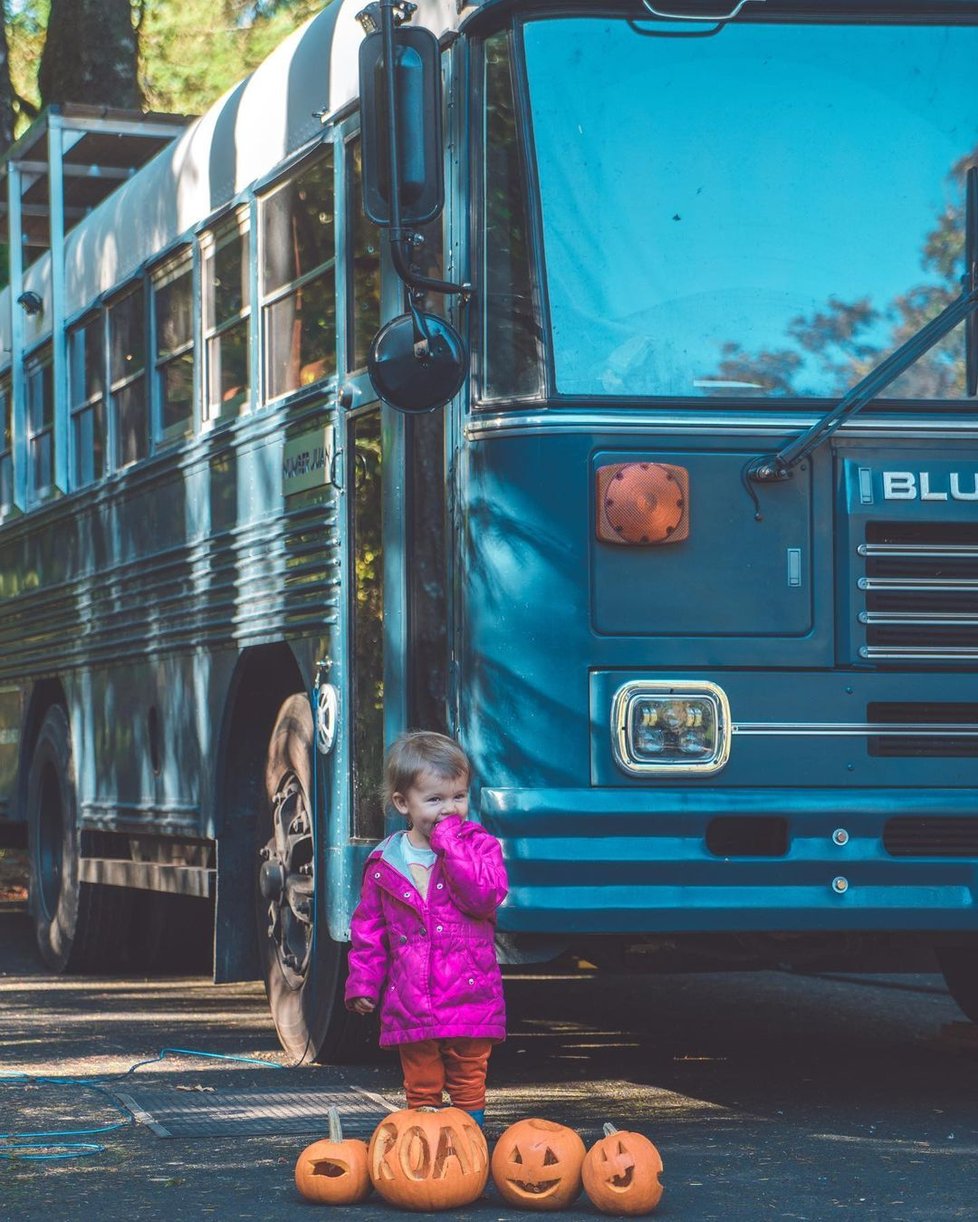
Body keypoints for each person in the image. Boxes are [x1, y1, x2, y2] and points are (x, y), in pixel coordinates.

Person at [345, 731, 508, 1128]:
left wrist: (451, 846)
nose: (449, 810)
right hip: (411, 999)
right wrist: (363, 983)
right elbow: (370, 929)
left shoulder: (479, 847)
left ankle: (469, 1151)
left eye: (458, 796)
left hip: (470, 992)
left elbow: (484, 896)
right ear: (403, 803)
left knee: (469, 1080)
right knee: (422, 1085)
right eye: (435, 800)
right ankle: (426, 1154)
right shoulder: (386, 861)